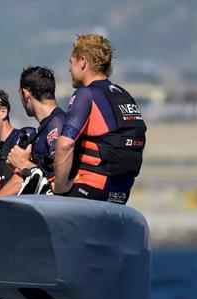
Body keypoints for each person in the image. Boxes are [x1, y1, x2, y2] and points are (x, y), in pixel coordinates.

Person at [51, 34, 147, 203]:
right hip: (120, 193)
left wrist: (60, 187)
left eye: (71, 63)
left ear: (82, 61)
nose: (69, 70)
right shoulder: (123, 95)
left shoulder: (86, 94)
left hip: (91, 189)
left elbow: (65, 144)